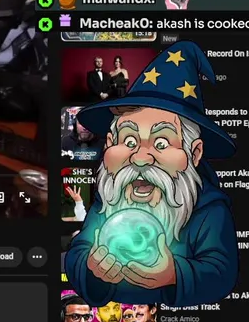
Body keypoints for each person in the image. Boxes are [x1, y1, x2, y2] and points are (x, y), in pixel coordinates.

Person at [66, 41, 238, 307]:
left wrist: (174, 274)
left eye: (161, 143)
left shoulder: (209, 208)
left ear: (194, 154)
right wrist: (91, 269)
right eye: (129, 141)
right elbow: (78, 252)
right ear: (109, 144)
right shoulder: (108, 198)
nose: (140, 158)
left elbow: (222, 273)